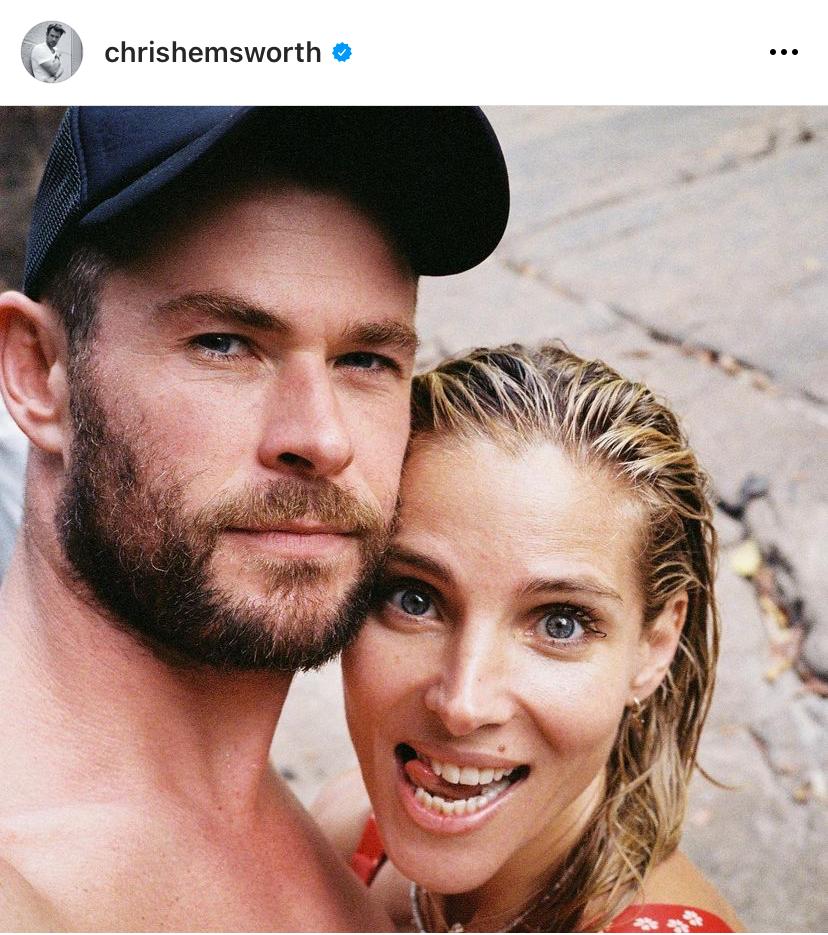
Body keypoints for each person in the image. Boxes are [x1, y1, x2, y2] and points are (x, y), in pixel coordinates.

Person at [0, 106, 509, 930]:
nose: (322, 439)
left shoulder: (367, 848)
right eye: (224, 343)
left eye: (365, 359)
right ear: (38, 371)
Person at [315, 344, 744, 932]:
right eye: (414, 599)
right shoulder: (345, 827)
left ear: (654, 648)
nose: (462, 705)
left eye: (559, 624)